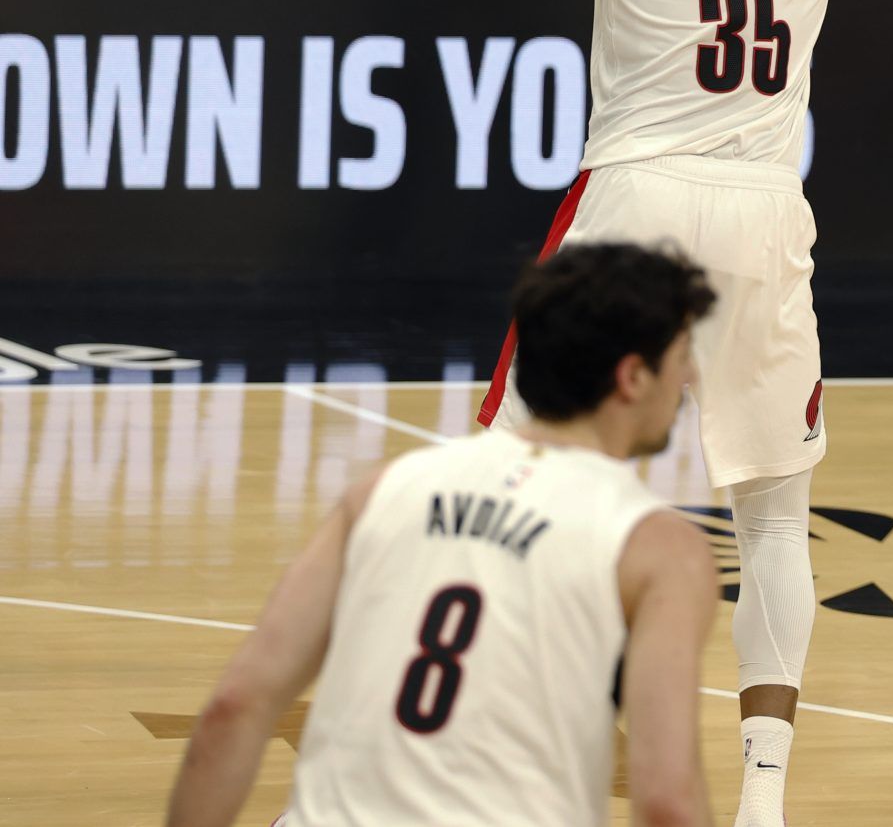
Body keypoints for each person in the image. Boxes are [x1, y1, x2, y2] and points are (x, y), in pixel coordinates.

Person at [368, 0, 893, 827]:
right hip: (765, 209)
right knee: (774, 516)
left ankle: (487, 738)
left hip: (633, 203)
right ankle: (763, 801)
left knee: (523, 477)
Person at [160, 241, 719, 827]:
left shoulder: (384, 489)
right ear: (632, 377)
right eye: (683, 355)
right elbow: (667, 804)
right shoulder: (657, 549)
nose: (691, 375)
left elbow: (234, 707)